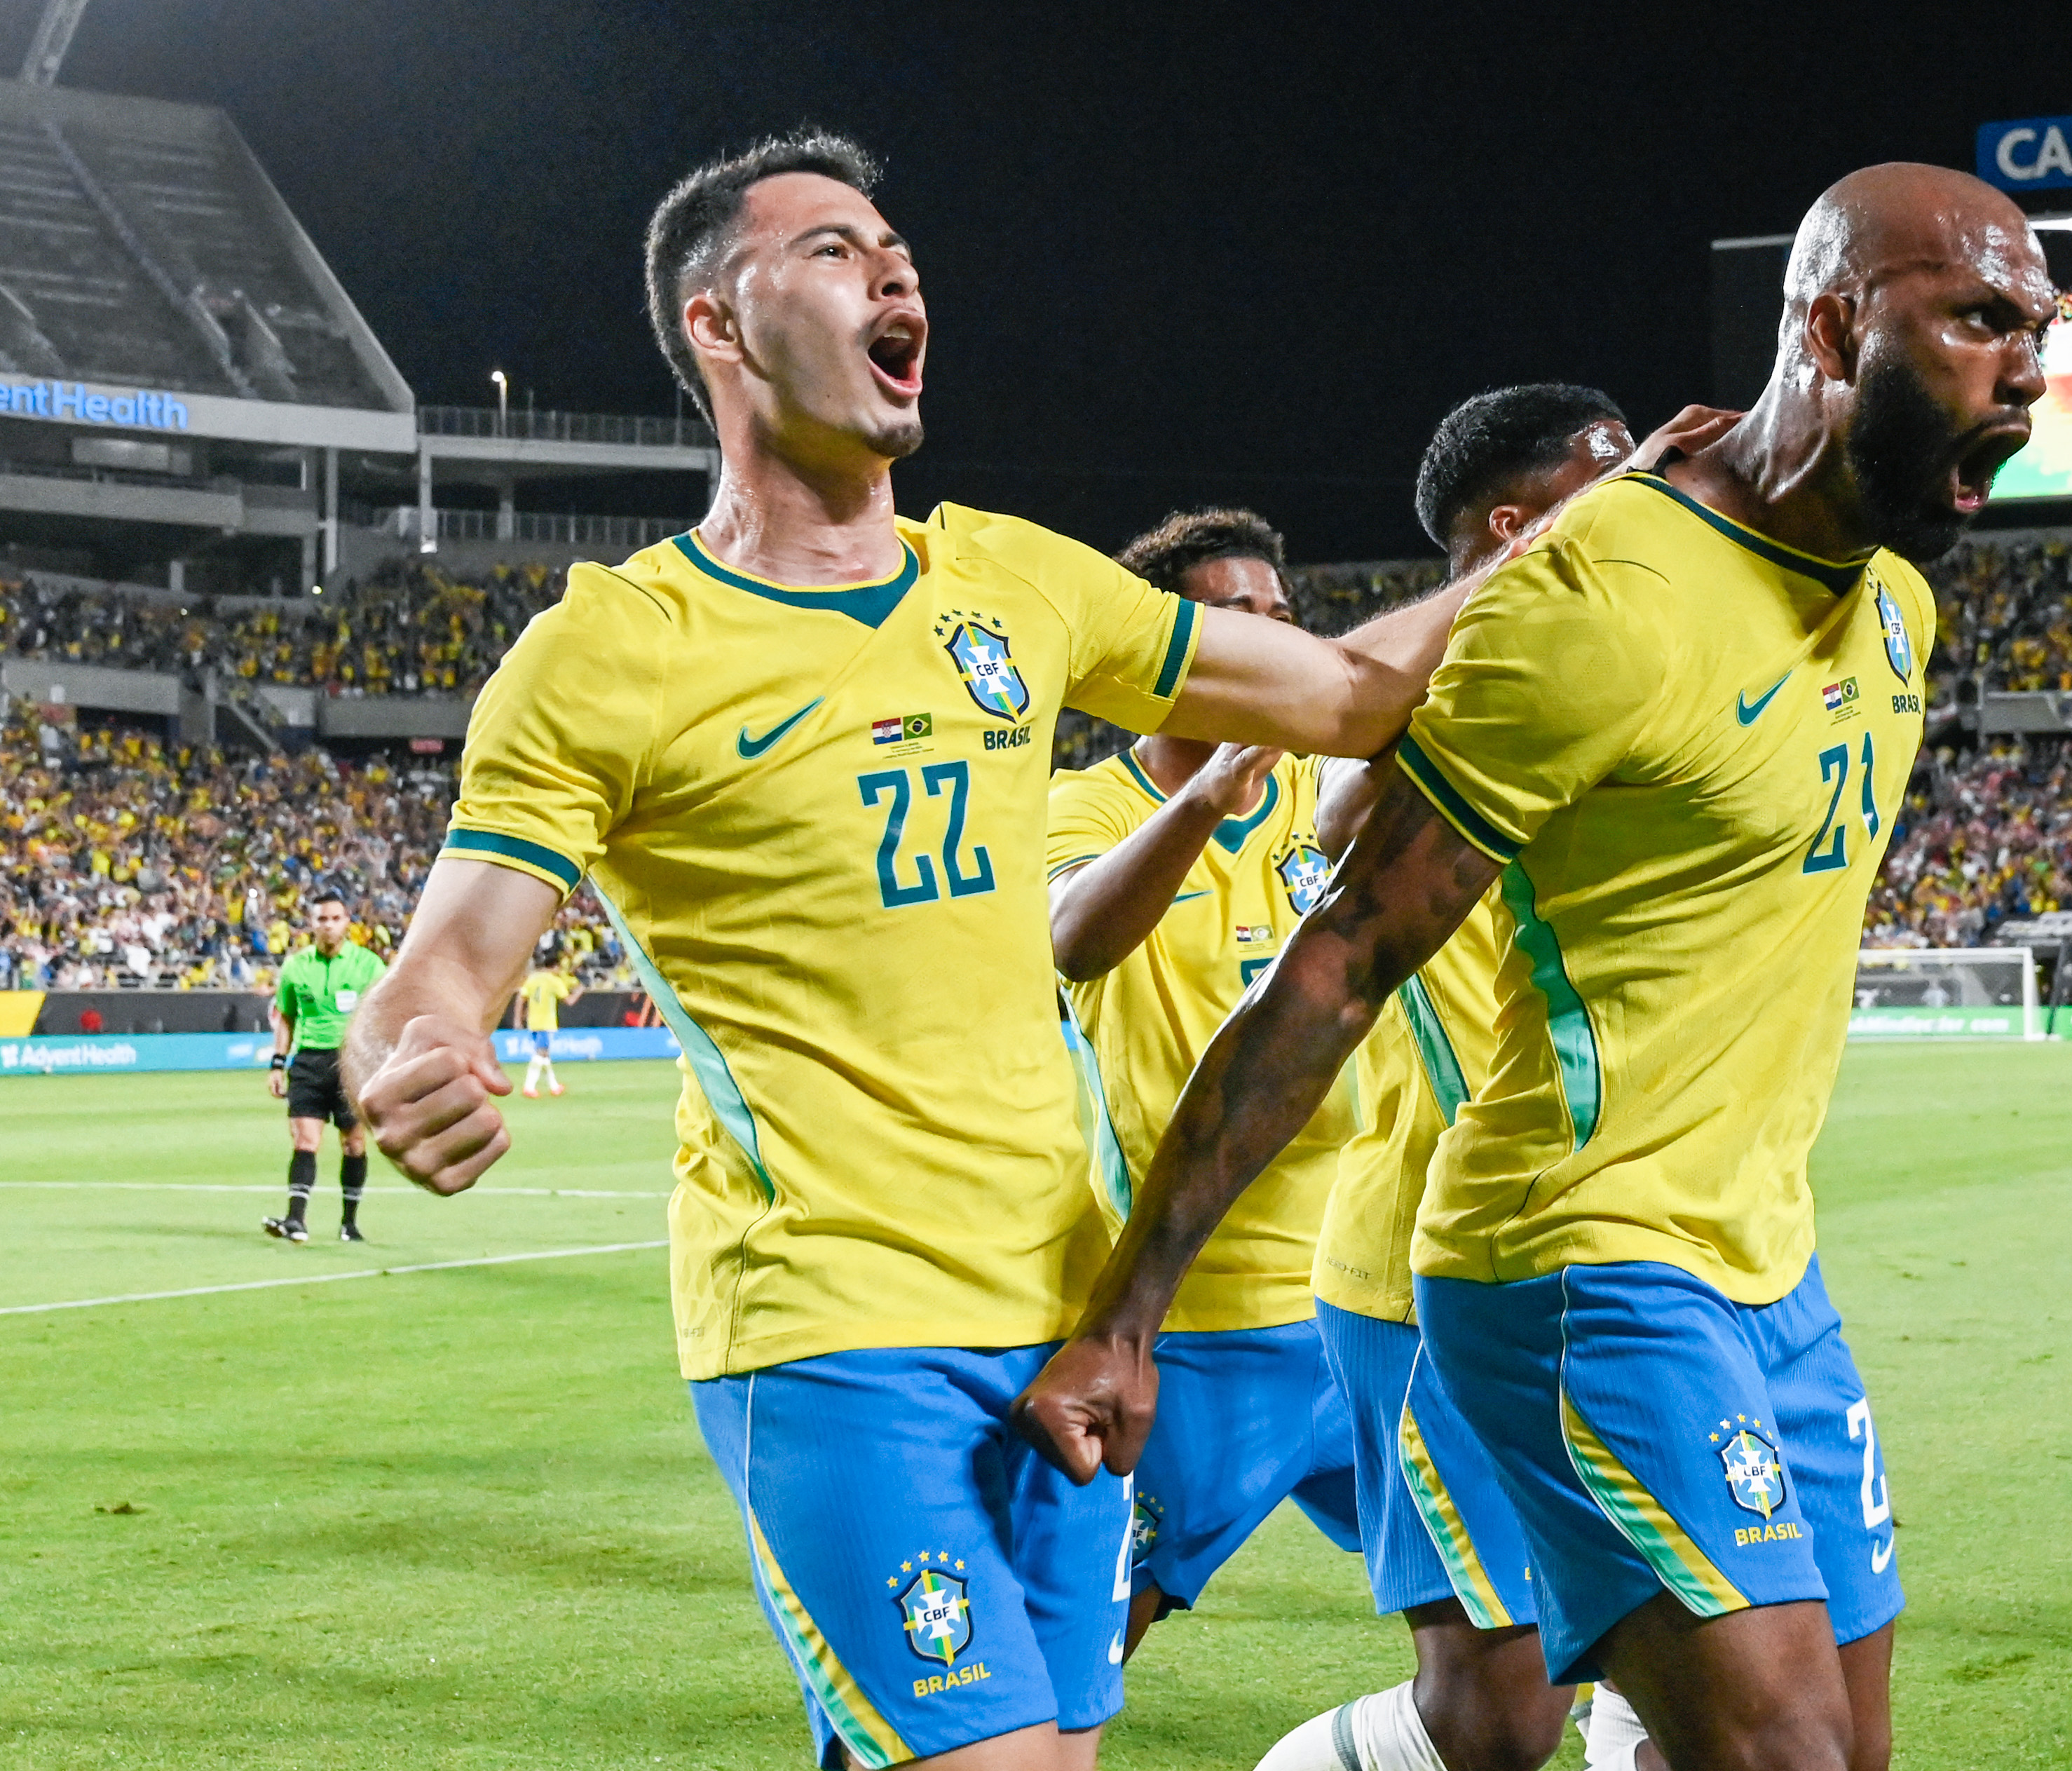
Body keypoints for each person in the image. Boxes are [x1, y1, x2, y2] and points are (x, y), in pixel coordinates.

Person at [343, 129, 1469, 1771]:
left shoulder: (1011, 584)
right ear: (716, 323)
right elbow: (440, 967)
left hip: (1062, 1308)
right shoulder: (612, 651)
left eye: (898, 252)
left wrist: (1606, 533)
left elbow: (1352, 692)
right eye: (832, 249)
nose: (894, 271)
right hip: (830, 1315)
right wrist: (416, 1052)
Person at [1014, 162, 2055, 1771]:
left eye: (2040, 329)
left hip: (1767, 1264)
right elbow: (1342, 949)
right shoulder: (1608, 592)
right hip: (1575, 1253)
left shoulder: (1898, 615)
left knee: (1834, 1745)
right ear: (1837, 327)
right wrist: (1127, 1310)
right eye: (1982, 319)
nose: (2030, 371)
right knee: (1655, 1733)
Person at [1262, 383, 1644, 1771]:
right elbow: (1335, 809)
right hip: (1432, 1265)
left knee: (1710, 1660)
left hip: (1624, 1248)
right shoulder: (1428, 707)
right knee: (1494, 1717)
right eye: (1612, 489)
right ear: (1514, 527)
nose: (1649, 510)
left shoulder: (1622, 672)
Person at [1046, 507, 1364, 1668]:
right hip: (1194, 1319)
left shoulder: (1329, 797)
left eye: (1283, 615)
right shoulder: (1085, 807)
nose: (1276, 637)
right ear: (1163, 646)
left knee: (1515, 1639)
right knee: (1081, 1650)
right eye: (1238, 617)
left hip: (1364, 1296)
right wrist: (1203, 799)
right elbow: (1073, 938)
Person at [263, 893, 384, 1245]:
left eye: (335, 918)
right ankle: (295, 1220)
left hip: (351, 1064)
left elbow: (382, 1014)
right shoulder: (296, 967)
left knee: (354, 1143)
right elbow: (286, 1017)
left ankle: (349, 1223)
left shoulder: (368, 965)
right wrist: (277, 1063)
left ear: (347, 923)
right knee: (305, 1140)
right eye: (322, 919)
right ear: (311, 924)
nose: (328, 925)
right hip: (309, 1063)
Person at [515, 961, 583, 1098]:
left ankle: (554, 1086)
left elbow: (521, 998)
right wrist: (580, 991)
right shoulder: (554, 981)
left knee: (545, 1056)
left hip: (533, 1022)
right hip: (546, 1023)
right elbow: (569, 1001)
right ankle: (529, 1087)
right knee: (540, 1054)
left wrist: (517, 1019)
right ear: (555, 967)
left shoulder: (532, 979)